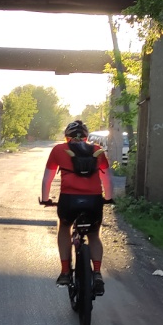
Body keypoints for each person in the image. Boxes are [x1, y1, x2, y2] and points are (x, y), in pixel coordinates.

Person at [39, 119, 113, 295]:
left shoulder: (59, 150)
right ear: (86, 137)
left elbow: (47, 178)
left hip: (69, 200)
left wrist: (45, 199)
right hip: (94, 201)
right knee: (94, 235)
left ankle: (65, 272)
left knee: (64, 227)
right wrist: (108, 198)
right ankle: (97, 273)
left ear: (67, 137)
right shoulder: (97, 151)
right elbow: (107, 179)